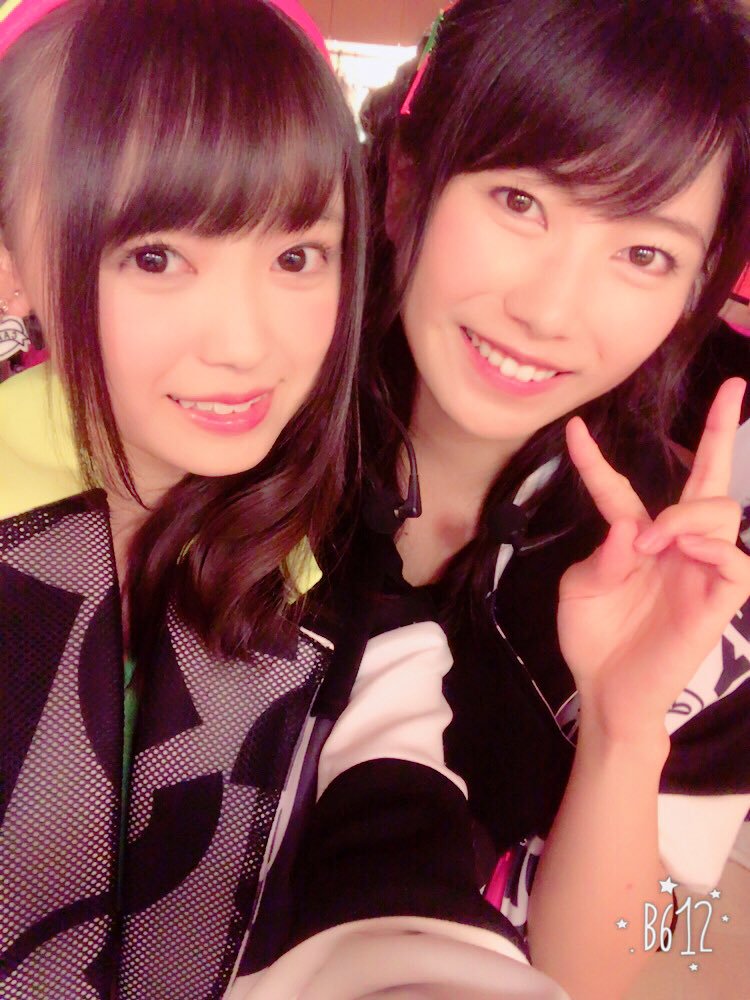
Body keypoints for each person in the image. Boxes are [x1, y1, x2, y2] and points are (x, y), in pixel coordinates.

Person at [0, 1, 571, 998]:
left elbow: (396, 837)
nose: (247, 343)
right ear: (10, 264)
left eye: (297, 256)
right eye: (155, 256)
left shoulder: (338, 565)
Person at [359, 1, 750, 998]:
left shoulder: (701, 595)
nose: (548, 310)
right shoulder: (239, 437)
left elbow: (630, 961)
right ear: (407, 182)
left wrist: (625, 730)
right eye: (520, 201)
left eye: (644, 253)